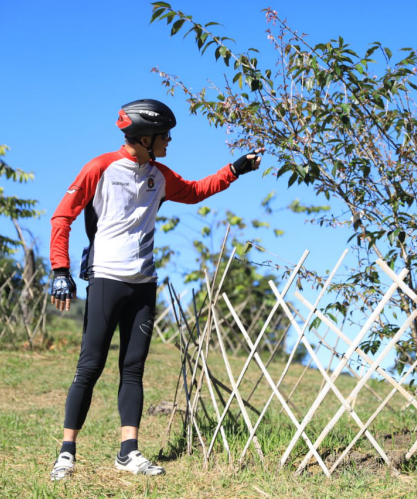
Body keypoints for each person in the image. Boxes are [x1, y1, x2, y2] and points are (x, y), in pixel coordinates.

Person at [47, 98, 262, 481]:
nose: (169, 141)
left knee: (133, 369)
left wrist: (236, 169)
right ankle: (66, 453)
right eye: (165, 136)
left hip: (144, 283)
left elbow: (195, 191)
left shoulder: (159, 175)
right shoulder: (100, 168)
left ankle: (128, 452)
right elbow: (62, 216)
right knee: (89, 367)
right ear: (145, 138)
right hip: (106, 278)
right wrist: (60, 269)